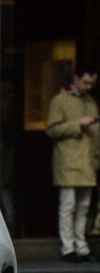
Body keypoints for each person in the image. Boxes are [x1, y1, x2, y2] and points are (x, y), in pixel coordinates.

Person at [46, 64, 100, 262]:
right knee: (68, 205)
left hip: (88, 159)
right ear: (75, 78)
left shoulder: (91, 101)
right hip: (68, 158)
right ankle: (68, 247)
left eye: (92, 83)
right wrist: (78, 124)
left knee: (84, 206)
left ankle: (81, 246)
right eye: (85, 82)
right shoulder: (60, 100)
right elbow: (52, 129)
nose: (88, 86)